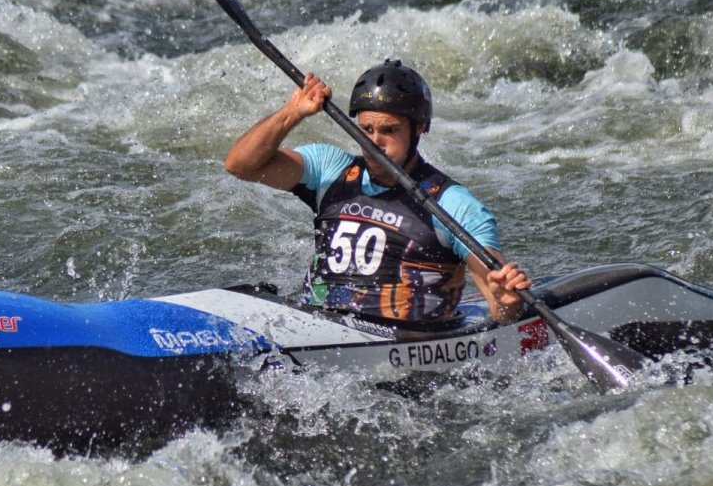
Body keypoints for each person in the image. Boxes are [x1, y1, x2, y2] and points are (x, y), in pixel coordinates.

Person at [224, 59, 532, 326]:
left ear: (420, 127)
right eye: (366, 129)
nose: (375, 142)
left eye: (389, 130)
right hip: (317, 323)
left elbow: (500, 312)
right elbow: (240, 165)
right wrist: (293, 112)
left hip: (404, 345)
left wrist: (508, 299)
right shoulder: (329, 169)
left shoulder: (453, 205)